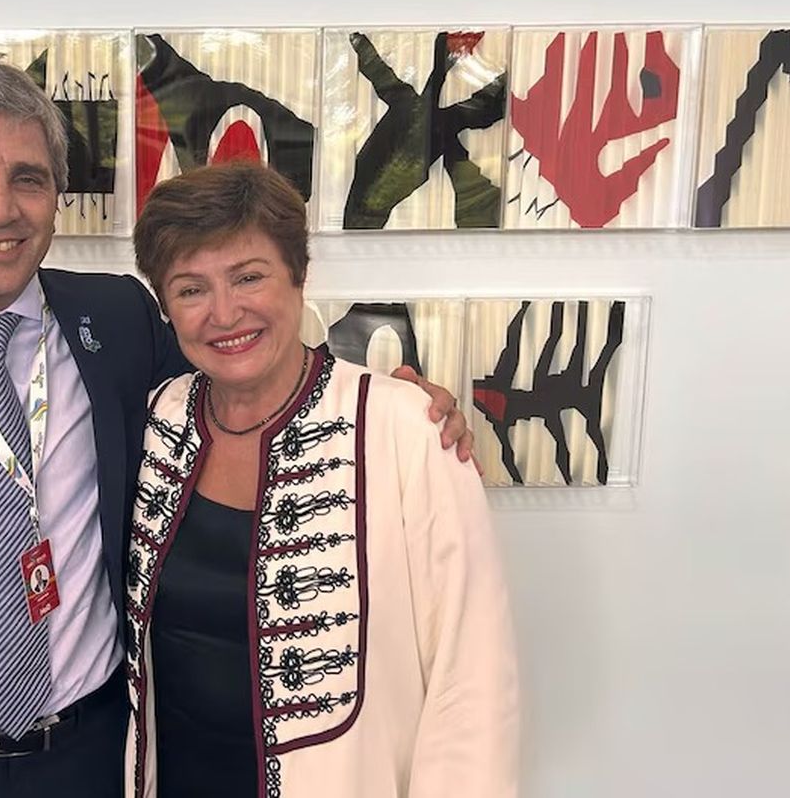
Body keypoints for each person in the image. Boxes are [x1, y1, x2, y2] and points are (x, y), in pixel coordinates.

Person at [0, 53, 475, 798]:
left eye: (28, 179)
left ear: (56, 197)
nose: (0, 208)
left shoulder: (118, 317)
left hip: (103, 757)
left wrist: (382, 405)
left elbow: (244, 367)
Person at [125, 162, 518, 798]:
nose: (225, 313)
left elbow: (470, 680)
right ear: (166, 308)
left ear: (299, 277)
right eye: (191, 289)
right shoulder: (155, 419)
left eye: (248, 277)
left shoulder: (409, 431)